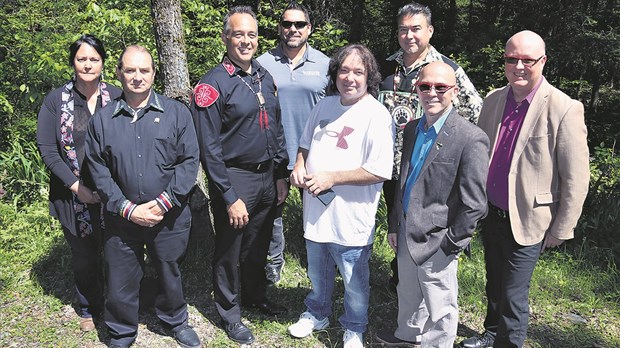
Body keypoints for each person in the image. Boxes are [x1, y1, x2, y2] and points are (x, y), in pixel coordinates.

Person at [459, 30, 590, 348]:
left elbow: (576, 177)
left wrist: (562, 227)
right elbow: (480, 153)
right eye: (511, 59)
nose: (518, 66)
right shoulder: (493, 100)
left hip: (530, 219)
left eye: (527, 60)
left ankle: (508, 342)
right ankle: (491, 332)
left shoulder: (564, 108)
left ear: (542, 61)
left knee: (514, 296)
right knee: (494, 283)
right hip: (492, 214)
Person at [85, 45, 201, 348]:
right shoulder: (103, 120)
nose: (138, 77)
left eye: (144, 70)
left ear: (154, 73)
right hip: (121, 218)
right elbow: (98, 169)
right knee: (120, 277)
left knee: (169, 270)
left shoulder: (177, 114)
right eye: (131, 70)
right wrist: (126, 208)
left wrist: (164, 203)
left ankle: (175, 319)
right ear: (119, 73)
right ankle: (122, 331)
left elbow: (189, 162)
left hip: (169, 215)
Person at [190, 5, 289, 345]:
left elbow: (274, 128)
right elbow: (209, 148)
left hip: (266, 176)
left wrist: (280, 173)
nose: (245, 41)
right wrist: (228, 195)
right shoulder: (212, 84)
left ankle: (255, 296)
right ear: (225, 37)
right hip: (236, 179)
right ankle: (230, 314)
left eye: (251, 35)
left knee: (258, 244)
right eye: (238, 34)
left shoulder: (263, 75)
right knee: (231, 250)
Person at [374, 61, 489, 348]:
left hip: (439, 239)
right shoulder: (412, 129)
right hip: (406, 230)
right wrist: (394, 224)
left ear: (454, 91)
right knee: (408, 291)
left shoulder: (470, 137)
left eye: (441, 87)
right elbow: (403, 180)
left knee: (440, 305)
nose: (432, 93)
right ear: (417, 89)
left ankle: (436, 344)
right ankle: (409, 336)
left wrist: (452, 244)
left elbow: (474, 203)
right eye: (425, 86)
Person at [287, 44, 394, 348]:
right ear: (335, 74)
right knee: (317, 272)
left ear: (369, 76)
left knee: (353, 280)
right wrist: (298, 165)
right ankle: (316, 312)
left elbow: (379, 170)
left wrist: (332, 177)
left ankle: (354, 327)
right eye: (344, 70)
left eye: (358, 72)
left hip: (351, 218)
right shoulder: (325, 105)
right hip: (316, 213)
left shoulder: (376, 114)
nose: (350, 78)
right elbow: (304, 144)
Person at [377, 2, 484, 289]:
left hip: (426, 166)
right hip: (389, 164)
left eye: (416, 29)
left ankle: (429, 285)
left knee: (423, 226)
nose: (409, 36)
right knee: (397, 225)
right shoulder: (386, 67)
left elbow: (476, 112)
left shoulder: (447, 69)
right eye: (403, 29)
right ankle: (401, 279)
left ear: (430, 31)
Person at [36, 34, 122, 333]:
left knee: (115, 250)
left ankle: (118, 303)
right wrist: (77, 187)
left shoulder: (118, 96)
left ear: (103, 62)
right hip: (71, 192)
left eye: (94, 59)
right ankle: (88, 306)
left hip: (112, 191)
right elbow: (47, 149)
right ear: (73, 62)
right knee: (84, 255)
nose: (87, 64)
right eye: (81, 59)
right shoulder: (55, 101)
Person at [256, 0, 330, 285]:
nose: (293, 29)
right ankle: (274, 262)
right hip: (274, 151)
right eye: (287, 24)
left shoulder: (325, 64)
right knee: (272, 211)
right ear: (280, 28)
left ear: (309, 29)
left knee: (319, 211)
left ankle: (321, 262)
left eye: (299, 24)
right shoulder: (262, 63)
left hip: (314, 153)